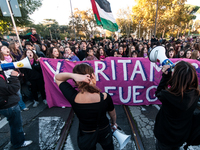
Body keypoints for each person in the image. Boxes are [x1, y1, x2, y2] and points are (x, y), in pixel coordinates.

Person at [55, 63, 117, 150]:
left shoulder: (73, 97)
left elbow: (57, 78)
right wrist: (113, 123)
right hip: (104, 130)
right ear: (93, 76)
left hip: (86, 134)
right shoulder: (105, 97)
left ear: (76, 80)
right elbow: (113, 114)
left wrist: (73, 76)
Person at [154, 61, 200, 150]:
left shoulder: (167, 96)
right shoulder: (195, 93)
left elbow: (159, 92)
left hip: (164, 136)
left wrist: (166, 76)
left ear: (176, 77)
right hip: (182, 135)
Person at [0, 70, 32, 148]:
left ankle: (16, 138)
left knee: (14, 124)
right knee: (16, 125)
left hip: (7, 104)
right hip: (9, 105)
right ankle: (19, 142)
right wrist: (14, 77)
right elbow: (10, 89)